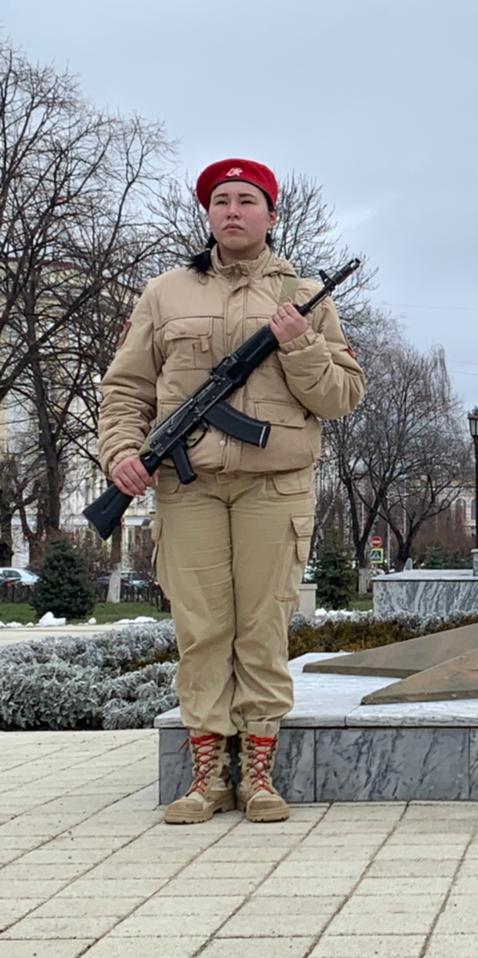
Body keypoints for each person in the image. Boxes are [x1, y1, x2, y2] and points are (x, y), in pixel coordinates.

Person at [98, 158, 366, 824]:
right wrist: (123, 455)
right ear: (208, 214)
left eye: (248, 200)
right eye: (221, 200)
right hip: (187, 489)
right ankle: (207, 778)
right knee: (201, 630)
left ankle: (260, 775)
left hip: (273, 489)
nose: (233, 210)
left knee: (262, 629)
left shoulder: (305, 296)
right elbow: (126, 388)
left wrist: (300, 344)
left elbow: (341, 396)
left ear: (272, 216)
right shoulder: (164, 294)